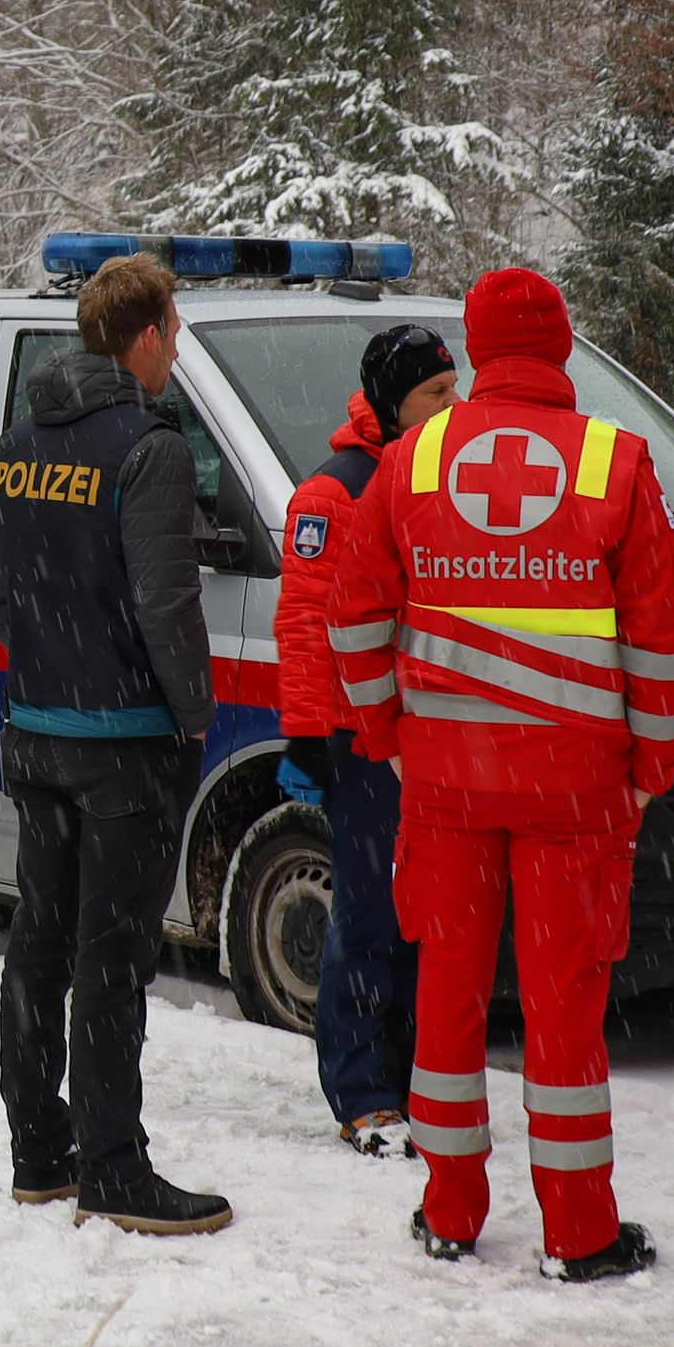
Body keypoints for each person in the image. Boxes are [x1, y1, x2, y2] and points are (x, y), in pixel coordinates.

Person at [328, 267, 674, 1283]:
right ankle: (577, 1228)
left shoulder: (408, 460)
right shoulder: (614, 461)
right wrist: (650, 762)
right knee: (563, 1004)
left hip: (445, 786)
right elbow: (660, 634)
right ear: (565, 347)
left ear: (476, 351)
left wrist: (387, 731)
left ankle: (449, 1206)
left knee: (445, 994)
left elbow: (353, 617)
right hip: (575, 791)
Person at [0, 252, 232, 1235]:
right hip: (126, 744)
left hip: (34, 734)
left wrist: (55, 667)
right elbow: (166, 604)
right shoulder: (150, 446)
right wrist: (191, 708)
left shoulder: (17, 440)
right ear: (147, 334)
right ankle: (115, 1168)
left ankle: (40, 1155)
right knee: (112, 960)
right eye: (175, 328)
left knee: (37, 949)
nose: (177, 347)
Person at [275, 323, 461, 1157]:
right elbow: (308, 627)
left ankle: (417, 1073)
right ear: (391, 401)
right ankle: (362, 1092)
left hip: (433, 735)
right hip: (361, 741)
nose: (450, 406)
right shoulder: (333, 493)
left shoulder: (449, 473)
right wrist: (310, 735)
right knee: (369, 912)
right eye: (434, 393)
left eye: (454, 389)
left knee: (429, 911)